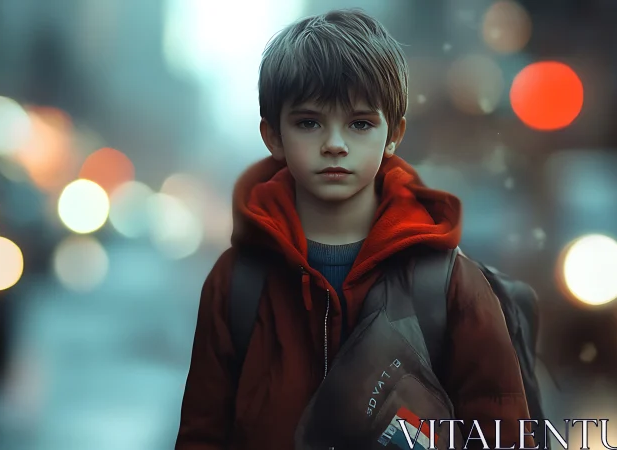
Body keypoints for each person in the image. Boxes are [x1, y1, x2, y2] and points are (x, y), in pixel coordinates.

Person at [176, 8, 533, 450]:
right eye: (309, 122)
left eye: (360, 123)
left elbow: (505, 436)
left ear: (393, 134)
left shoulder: (447, 285)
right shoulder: (238, 283)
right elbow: (202, 434)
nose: (335, 144)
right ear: (273, 136)